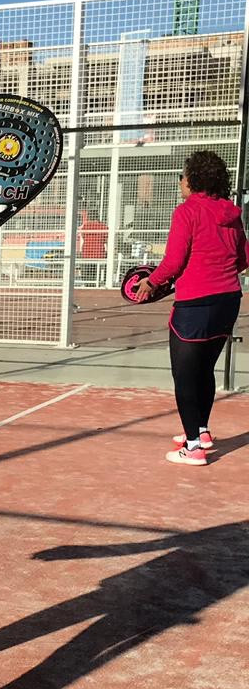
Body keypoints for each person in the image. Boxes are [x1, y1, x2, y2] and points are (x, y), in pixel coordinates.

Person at [132, 149, 247, 466]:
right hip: (228, 301)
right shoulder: (232, 213)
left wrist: (151, 282)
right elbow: (243, 259)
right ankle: (201, 431)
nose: (180, 181)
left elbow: (173, 261)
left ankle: (193, 448)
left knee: (184, 376)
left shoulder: (187, 211)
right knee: (204, 370)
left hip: (195, 305)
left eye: (182, 176)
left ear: (193, 179)